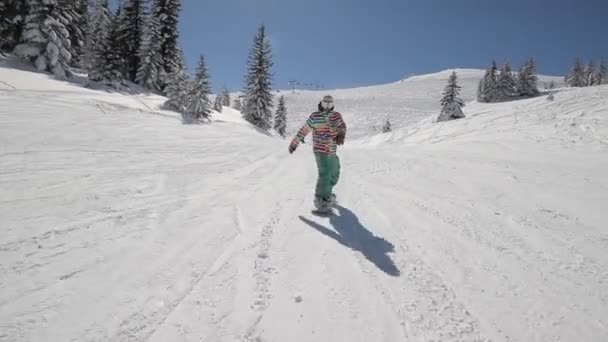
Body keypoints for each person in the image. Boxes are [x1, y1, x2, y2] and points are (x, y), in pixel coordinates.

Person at [289, 95, 347, 212]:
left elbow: (342, 126)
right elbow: (304, 130)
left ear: (333, 105)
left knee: (334, 174)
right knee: (324, 173)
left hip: (332, 151)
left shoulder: (336, 116)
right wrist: (294, 143)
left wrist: (341, 133)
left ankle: (328, 194)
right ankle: (321, 200)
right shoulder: (315, 116)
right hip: (320, 151)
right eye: (325, 104)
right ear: (321, 104)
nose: (327, 107)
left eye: (329, 104)